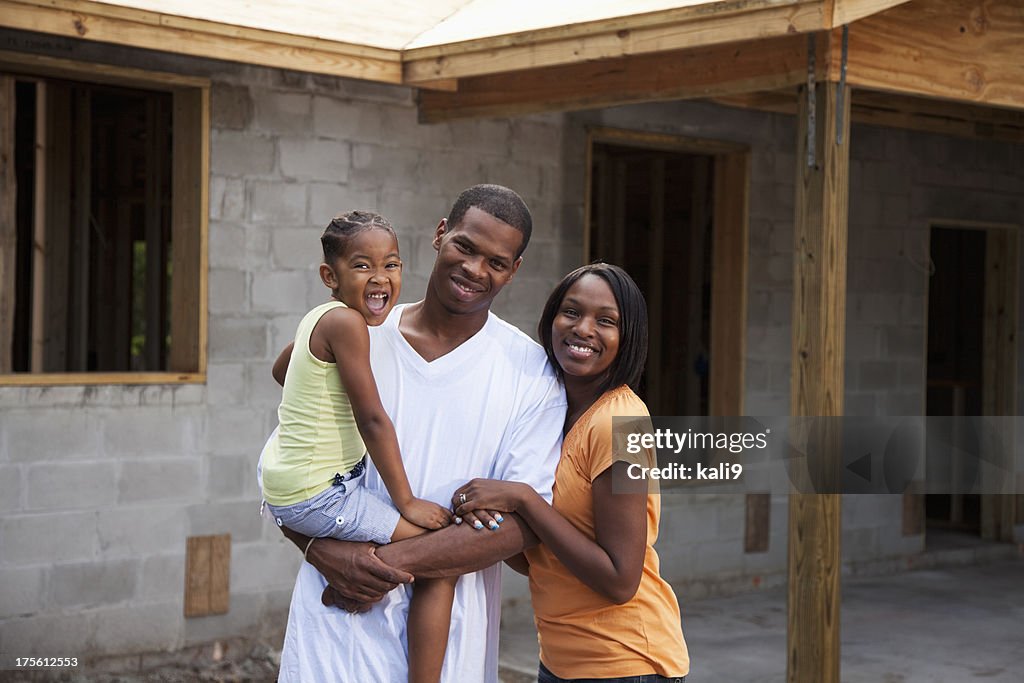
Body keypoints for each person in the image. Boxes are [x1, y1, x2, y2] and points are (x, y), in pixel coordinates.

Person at [263, 185, 566, 683]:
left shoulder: (531, 374)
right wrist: (317, 550)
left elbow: (523, 524)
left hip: (452, 651)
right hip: (334, 634)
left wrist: (375, 566)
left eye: (495, 261)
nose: (473, 269)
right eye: (465, 247)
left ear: (514, 271)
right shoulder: (358, 331)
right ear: (440, 234)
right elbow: (289, 462)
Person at [451, 263, 690, 682]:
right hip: (560, 661)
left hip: (626, 663)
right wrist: (483, 516)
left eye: (606, 321)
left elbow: (621, 580)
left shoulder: (622, 423)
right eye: (572, 312)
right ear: (551, 319)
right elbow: (540, 562)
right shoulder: (548, 415)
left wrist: (522, 499)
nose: (583, 329)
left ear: (627, 337)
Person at [261, 210, 459, 683]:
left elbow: (280, 371)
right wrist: (407, 501)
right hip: (319, 494)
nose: (381, 277)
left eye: (391, 264)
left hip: (287, 480)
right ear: (331, 275)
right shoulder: (349, 325)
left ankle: (349, 588)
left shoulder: (321, 318)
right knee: (440, 557)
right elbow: (373, 419)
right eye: (362, 266)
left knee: (392, 549)